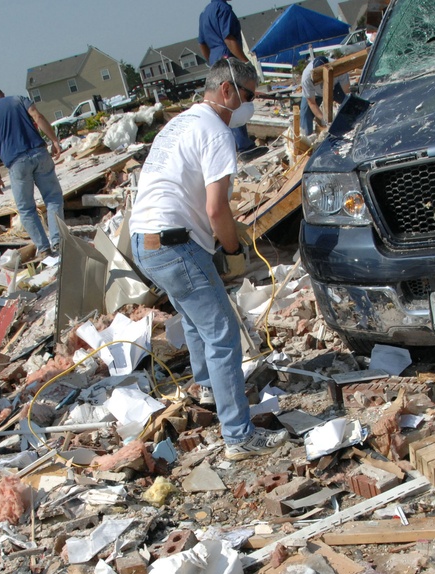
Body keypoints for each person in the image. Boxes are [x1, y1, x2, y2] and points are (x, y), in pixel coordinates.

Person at [128, 59, 288, 461]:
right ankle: (238, 436)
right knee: (222, 334)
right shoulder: (217, 132)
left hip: (143, 242)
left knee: (199, 322)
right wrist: (233, 251)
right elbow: (217, 210)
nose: (251, 104)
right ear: (227, 91)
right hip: (172, 243)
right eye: (249, 95)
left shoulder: (180, 123)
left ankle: (208, 391)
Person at [0, 88, 65, 258]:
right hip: (39, 153)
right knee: (53, 198)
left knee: (26, 209)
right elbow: (37, 117)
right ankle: (59, 242)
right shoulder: (18, 99)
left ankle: (44, 249)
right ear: (2, 95)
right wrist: (54, 140)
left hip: (16, 163)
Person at [198, 0, 259, 157]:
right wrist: (245, 62)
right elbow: (229, 39)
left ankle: (232, 145)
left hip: (215, 59)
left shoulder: (204, 14)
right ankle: (244, 146)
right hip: (227, 57)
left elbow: (202, 44)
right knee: (235, 100)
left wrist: (212, 61)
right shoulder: (223, 9)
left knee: (221, 104)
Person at [300, 55, 350, 135]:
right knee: (306, 115)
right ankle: (306, 138)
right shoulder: (306, 78)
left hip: (334, 88)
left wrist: (343, 112)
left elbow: (347, 92)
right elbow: (312, 103)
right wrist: (325, 120)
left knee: (348, 104)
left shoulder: (340, 68)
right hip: (315, 93)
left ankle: (351, 127)